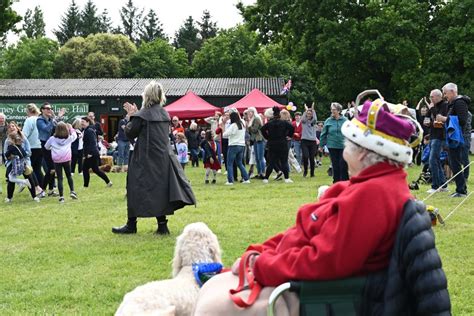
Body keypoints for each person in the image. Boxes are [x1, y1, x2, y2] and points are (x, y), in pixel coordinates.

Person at [193, 99, 446, 315]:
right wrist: (257, 253)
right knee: (212, 289)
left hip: (321, 296)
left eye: (348, 144)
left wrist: (260, 265)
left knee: (212, 305)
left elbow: (323, 261)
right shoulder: (366, 187)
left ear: (362, 153)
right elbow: (302, 234)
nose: (342, 151)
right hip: (302, 281)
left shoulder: (375, 195)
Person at [112, 81, 196, 235]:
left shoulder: (142, 115)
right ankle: (162, 226)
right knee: (160, 190)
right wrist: (137, 114)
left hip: (144, 159)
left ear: (147, 95)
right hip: (163, 158)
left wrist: (131, 116)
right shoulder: (165, 114)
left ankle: (131, 225)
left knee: (134, 187)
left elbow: (130, 132)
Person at [437, 83, 469, 197]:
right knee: (452, 163)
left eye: (445, 93)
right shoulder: (453, 103)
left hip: (459, 138)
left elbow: (462, 120)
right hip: (454, 137)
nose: (445, 96)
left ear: (452, 91)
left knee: (455, 163)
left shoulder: (460, 102)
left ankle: (462, 190)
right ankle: (460, 188)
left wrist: (444, 119)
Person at [45, 122, 78, 203]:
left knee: (59, 178)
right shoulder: (69, 138)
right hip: (66, 158)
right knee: (69, 175)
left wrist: (52, 148)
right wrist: (71, 128)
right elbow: (75, 135)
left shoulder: (52, 138)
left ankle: (61, 197)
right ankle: (72, 191)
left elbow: (46, 147)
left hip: (57, 160)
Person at [37, 103, 65, 196]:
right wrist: (55, 118)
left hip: (53, 145)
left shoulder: (50, 119)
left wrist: (58, 117)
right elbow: (47, 129)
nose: (50, 110)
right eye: (47, 108)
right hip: (45, 145)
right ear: (42, 110)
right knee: (51, 168)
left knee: (53, 168)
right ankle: (43, 190)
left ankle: (50, 190)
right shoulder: (39, 120)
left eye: (51, 108)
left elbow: (58, 127)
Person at [261, 106, 294, 183]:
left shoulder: (269, 123)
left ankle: (266, 178)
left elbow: (262, 129)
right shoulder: (284, 122)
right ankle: (287, 178)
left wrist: (267, 137)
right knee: (284, 161)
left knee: (272, 162)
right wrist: (289, 135)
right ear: (279, 113)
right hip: (282, 143)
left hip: (272, 144)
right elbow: (292, 128)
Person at [426, 89, 449, 193]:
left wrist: (432, 110)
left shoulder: (444, 105)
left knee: (432, 160)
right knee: (436, 161)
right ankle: (443, 185)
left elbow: (440, 121)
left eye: (432, 97)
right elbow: (433, 122)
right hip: (432, 135)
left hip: (440, 136)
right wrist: (428, 123)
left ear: (438, 96)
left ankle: (435, 186)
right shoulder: (433, 107)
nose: (430, 99)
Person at [319, 102, 349, 183]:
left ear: (339, 111)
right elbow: (323, 134)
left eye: (334, 109)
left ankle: (345, 182)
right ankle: (336, 182)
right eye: (331, 109)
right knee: (335, 165)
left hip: (343, 146)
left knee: (343, 165)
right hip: (332, 146)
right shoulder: (328, 121)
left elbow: (350, 133)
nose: (332, 111)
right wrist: (321, 146)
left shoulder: (345, 120)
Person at [81, 117, 112, 188]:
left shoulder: (89, 130)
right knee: (93, 169)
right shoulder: (87, 130)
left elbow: (93, 142)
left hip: (92, 154)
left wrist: (90, 153)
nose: (82, 123)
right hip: (92, 153)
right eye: (81, 122)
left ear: (88, 122)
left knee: (88, 169)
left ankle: (86, 186)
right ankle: (108, 182)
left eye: (83, 122)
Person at [223, 111, 250, 185]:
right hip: (241, 145)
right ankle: (246, 178)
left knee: (229, 163)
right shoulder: (242, 124)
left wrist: (224, 124)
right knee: (240, 163)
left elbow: (225, 134)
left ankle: (230, 181)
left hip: (233, 145)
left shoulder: (233, 125)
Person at [22, 104, 44, 185]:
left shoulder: (29, 120)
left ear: (29, 111)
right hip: (41, 146)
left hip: (31, 147)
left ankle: (36, 187)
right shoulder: (40, 119)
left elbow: (24, 135)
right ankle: (42, 187)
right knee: (37, 169)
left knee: (29, 169)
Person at [246, 107, 265, 179]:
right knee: (257, 158)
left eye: (249, 112)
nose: (248, 114)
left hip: (259, 139)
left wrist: (249, 126)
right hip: (255, 140)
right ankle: (259, 173)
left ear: (253, 112)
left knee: (260, 157)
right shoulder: (252, 119)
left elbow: (254, 130)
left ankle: (263, 173)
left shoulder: (256, 119)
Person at [300, 103, 318, 177]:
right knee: (305, 156)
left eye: (310, 114)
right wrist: (306, 110)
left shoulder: (313, 121)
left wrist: (313, 110)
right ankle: (305, 171)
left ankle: (312, 173)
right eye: (308, 113)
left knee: (311, 157)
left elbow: (315, 118)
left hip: (312, 141)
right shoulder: (304, 121)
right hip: (304, 141)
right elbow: (303, 118)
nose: (309, 115)